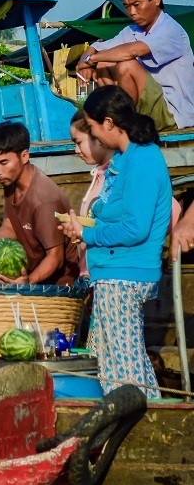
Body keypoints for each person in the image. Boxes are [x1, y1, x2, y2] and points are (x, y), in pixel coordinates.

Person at [60, 86, 172, 399]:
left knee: (126, 368)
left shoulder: (143, 160)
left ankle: (147, 424)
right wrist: (83, 225)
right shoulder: (126, 158)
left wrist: (86, 234)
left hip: (127, 274)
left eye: (92, 128)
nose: (93, 136)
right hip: (112, 272)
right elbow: (113, 213)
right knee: (109, 363)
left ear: (109, 123)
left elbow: (136, 228)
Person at [75, 0, 194, 131]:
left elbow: (133, 51)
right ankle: (115, 118)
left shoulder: (170, 30)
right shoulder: (131, 31)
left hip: (173, 113)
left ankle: (124, 126)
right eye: (127, 6)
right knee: (103, 65)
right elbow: (97, 46)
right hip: (147, 110)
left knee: (126, 65)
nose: (131, 12)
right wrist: (86, 62)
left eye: (137, 4)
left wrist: (91, 59)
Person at [0, 121, 79, 285]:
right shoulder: (11, 182)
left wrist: (28, 282)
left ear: (24, 156)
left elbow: (56, 257)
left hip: (58, 290)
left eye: (3, 163)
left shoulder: (44, 200)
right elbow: (11, 226)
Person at [68, 110, 113, 279]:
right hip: (92, 276)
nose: (76, 150)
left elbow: (171, 210)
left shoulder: (116, 176)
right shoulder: (100, 174)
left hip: (108, 276)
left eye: (79, 142)